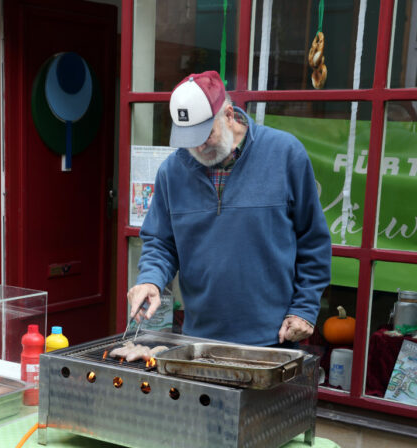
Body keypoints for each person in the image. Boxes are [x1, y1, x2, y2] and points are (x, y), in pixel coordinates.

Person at [127, 70, 331, 347]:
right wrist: (150, 280)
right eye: (188, 138)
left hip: (273, 339)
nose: (198, 145)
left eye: (205, 133)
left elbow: (313, 241)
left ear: (229, 114)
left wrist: (304, 309)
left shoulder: (285, 154)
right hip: (197, 339)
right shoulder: (172, 171)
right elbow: (161, 242)